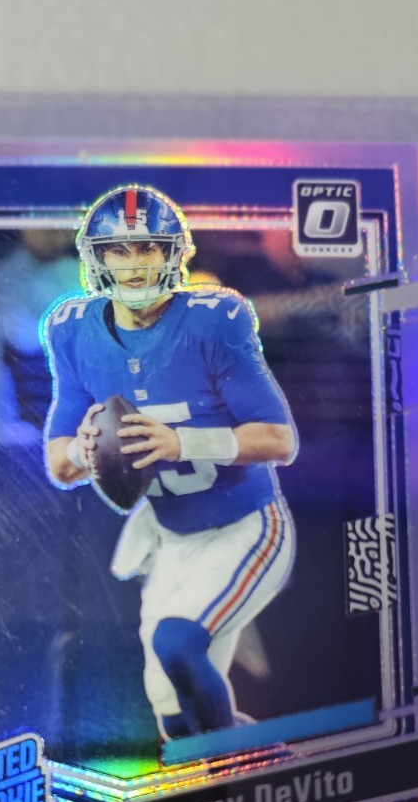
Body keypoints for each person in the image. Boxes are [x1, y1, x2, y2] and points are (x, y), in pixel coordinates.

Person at [43, 185, 298, 743]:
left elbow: (279, 439)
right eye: (118, 250)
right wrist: (85, 449)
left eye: (148, 248)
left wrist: (182, 443)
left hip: (244, 525)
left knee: (176, 643)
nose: (134, 265)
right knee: (171, 712)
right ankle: (236, 760)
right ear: (96, 259)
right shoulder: (72, 329)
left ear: (174, 254)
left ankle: (236, 765)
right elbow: (60, 464)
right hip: (170, 539)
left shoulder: (214, 320)